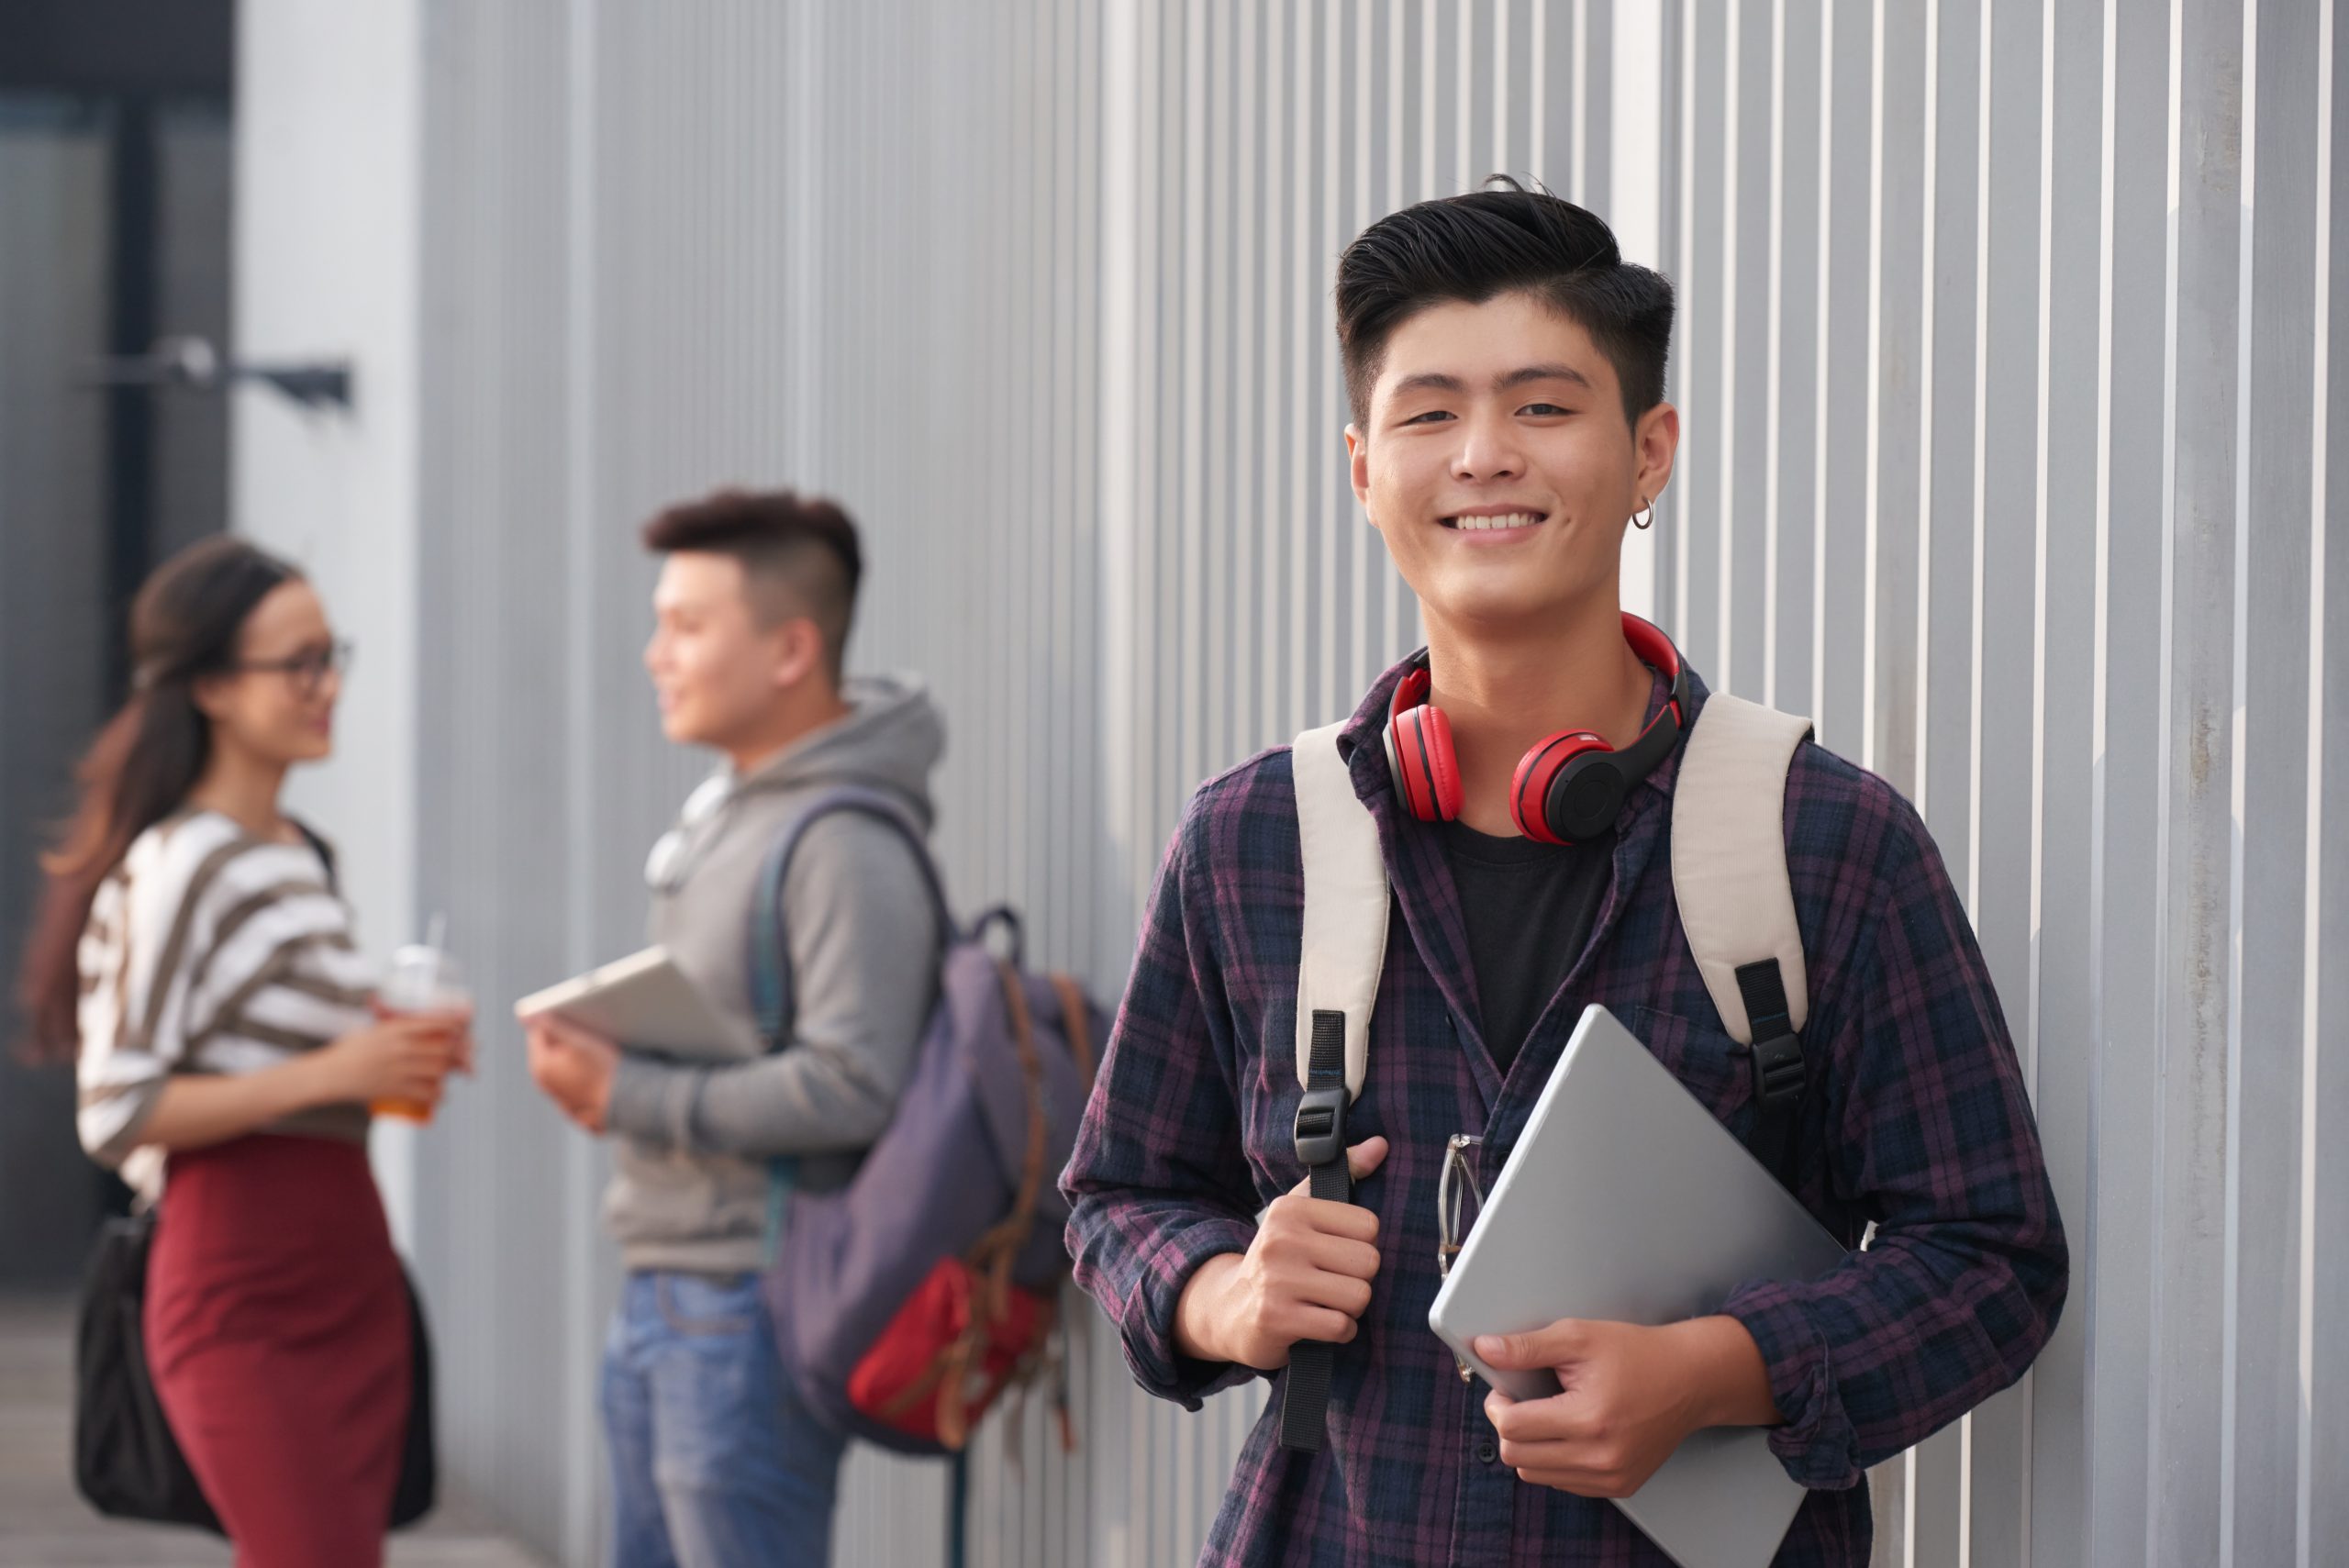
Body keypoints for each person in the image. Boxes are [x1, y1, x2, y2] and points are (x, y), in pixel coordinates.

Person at [1062, 183, 2069, 1565]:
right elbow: (1117, 1197)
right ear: (1363, 468)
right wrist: (1219, 1294)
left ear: (1649, 453)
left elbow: (1994, 1262)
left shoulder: (1827, 843)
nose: (1484, 455)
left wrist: (1722, 1370)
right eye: (1429, 415)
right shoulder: (1254, 844)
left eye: (1543, 407)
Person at [18, 534, 469, 1567]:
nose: (328, 686)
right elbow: (115, 1105)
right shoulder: (184, 862)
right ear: (214, 685)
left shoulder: (300, 854)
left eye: (331, 654)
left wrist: (389, 1048)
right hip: (238, 1281)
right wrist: (339, 1070)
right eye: (297, 663)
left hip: (349, 1266)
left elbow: (290, 1057)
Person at [524, 488, 945, 1568]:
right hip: (668, 1287)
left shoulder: (842, 839)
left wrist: (628, 1093)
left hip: (746, 1304)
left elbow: (855, 1081)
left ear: (791, 647)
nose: (658, 653)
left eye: (688, 625)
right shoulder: (733, 809)